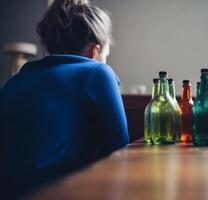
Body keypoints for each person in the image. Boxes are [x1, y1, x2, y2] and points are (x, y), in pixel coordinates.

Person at [0, 0, 129, 196]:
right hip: (56, 192)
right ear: (95, 51)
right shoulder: (98, 72)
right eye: (105, 55)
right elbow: (120, 148)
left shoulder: (16, 80)